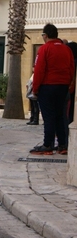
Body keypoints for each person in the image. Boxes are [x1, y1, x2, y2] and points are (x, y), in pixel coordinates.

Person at [30, 24, 74, 155]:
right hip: (63, 87)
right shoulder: (67, 50)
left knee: (48, 117)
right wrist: (69, 85)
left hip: (47, 87)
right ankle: (62, 145)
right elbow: (72, 69)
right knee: (60, 116)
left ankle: (47, 144)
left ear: (46, 35)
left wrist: (35, 88)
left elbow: (39, 70)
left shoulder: (44, 49)